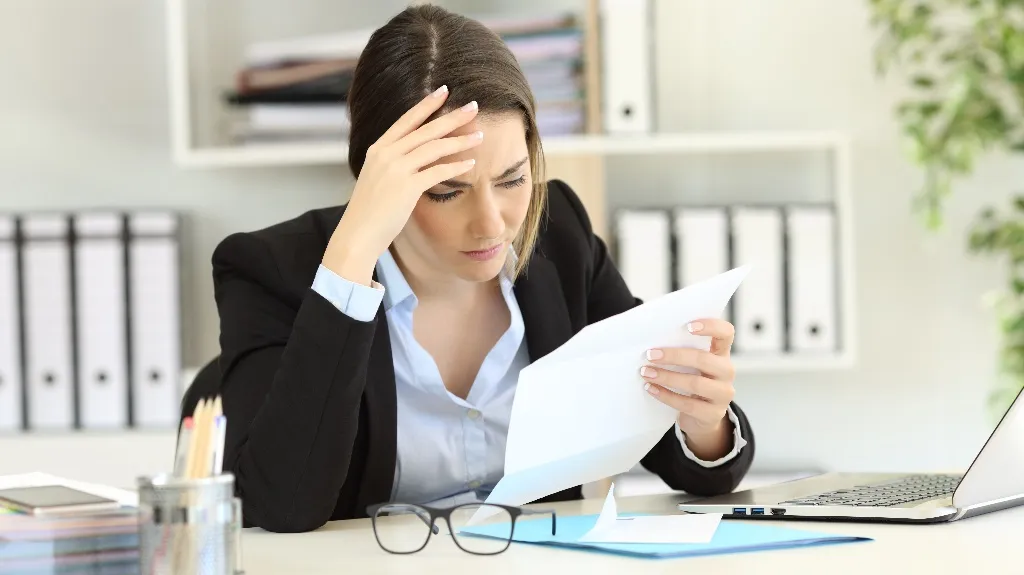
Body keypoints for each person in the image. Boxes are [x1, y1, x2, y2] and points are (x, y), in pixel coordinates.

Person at [211, 4, 755, 534]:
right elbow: (279, 507)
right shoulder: (271, 271)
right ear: (379, 180)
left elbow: (687, 461)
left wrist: (704, 422)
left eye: (513, 180)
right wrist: (352, 256)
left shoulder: (558, 235)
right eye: (448, 191)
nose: (492, 224)